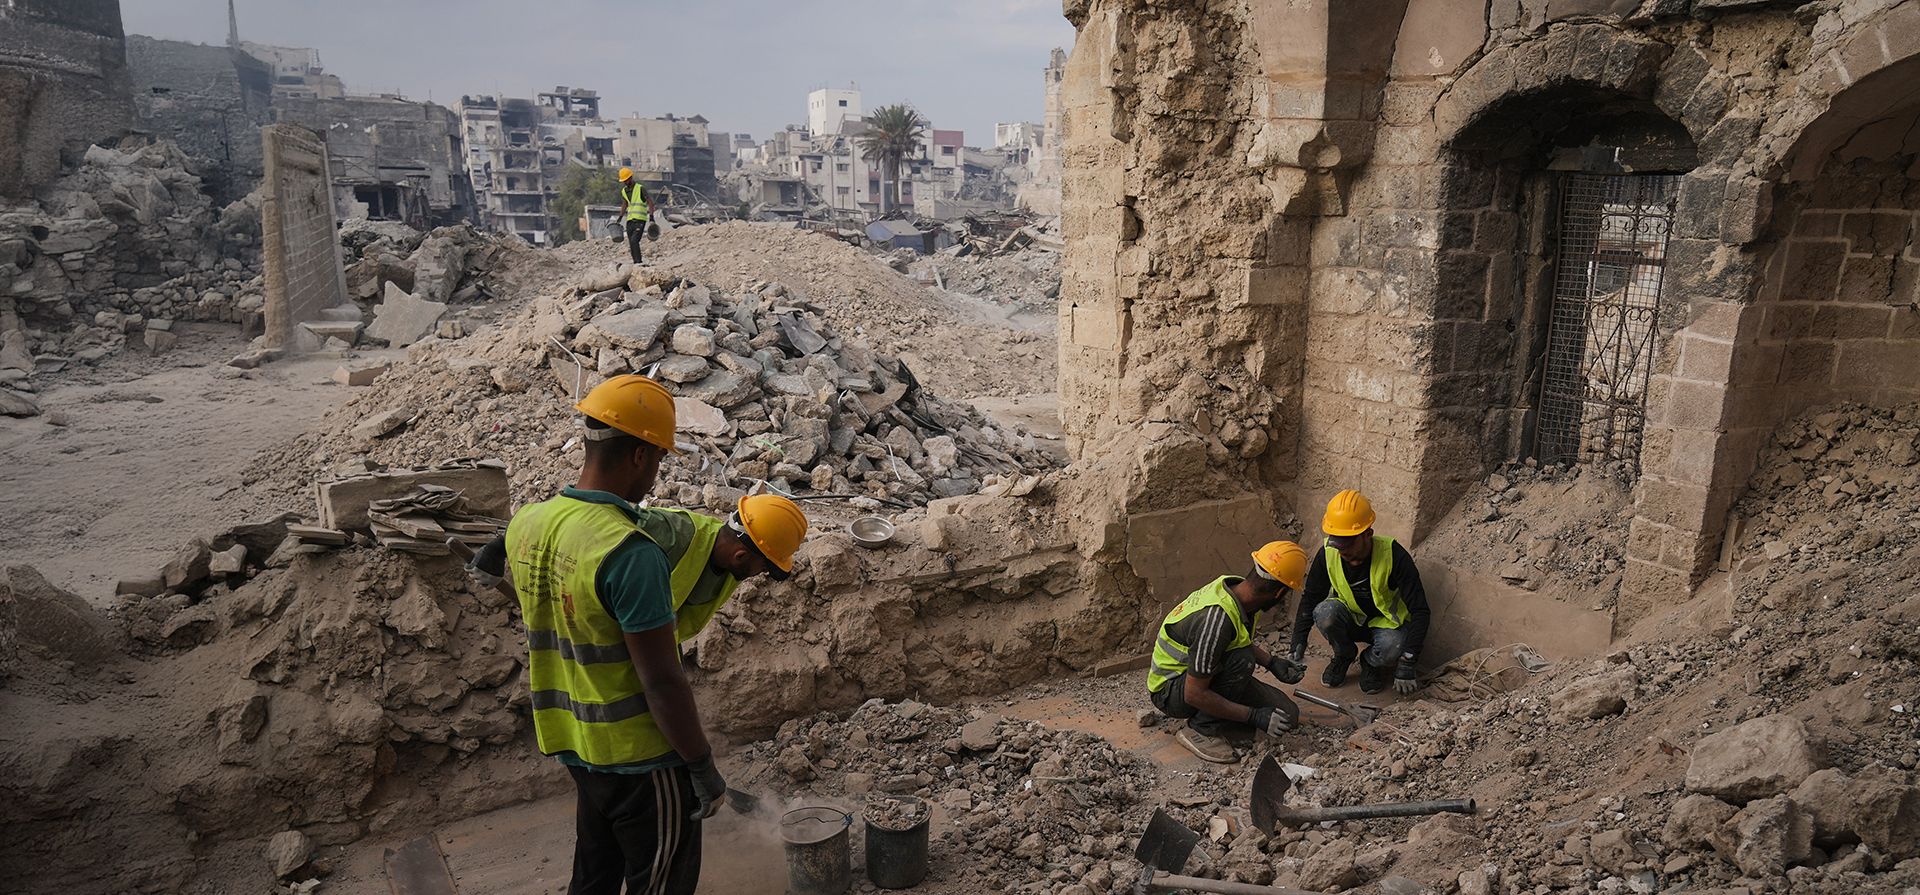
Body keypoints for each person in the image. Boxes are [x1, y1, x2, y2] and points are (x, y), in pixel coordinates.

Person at [500, 373, 807, 895]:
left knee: (594, 876)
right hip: (640, 758)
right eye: (660, 458)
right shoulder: (630, 553)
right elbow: (662, 682)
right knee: (661, 881)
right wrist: (700, 765)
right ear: (640, 456)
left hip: (574, 739)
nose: (657, 475)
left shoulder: (528, 522)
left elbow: (550, 609)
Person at [1146, 541, 1311, 763]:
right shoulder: (1216, 619)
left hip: (1204, 673)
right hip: (1172, 689)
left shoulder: (1237, 592)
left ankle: (1222, 714)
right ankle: (1201, 729)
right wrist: (1253, 716)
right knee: (1242, 660)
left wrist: (1272, 662)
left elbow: (1232, 641)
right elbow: (1193, 694)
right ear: (1280, 592)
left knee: (1287, 715)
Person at [1281, 490, 1432, 697]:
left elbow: (1420, 610)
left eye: (1348, 543)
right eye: (1338, 544)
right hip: (1350, 619)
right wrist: (1298, 639)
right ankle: (1343, 654)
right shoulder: (1328, 553)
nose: (1342, 551)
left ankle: (1370, 662)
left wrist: (1408, 661)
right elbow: (1311, 597)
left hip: (1386, 626)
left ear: (1368, 533)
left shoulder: (1393, 555)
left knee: (1392, 646)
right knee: (1324, 612)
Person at [616, 167, 658, 265]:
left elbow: (650, 203)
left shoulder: (640, 188)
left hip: (640, 220)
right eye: (623, 181)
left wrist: (651, 217)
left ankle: (639, 263)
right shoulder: (624, 191)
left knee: (635, 241)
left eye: (626, 180)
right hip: (630, 221)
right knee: (631, 243)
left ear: (630, 178)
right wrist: (620, 217)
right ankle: (635, 262)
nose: (625, 182)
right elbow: (625, 204)